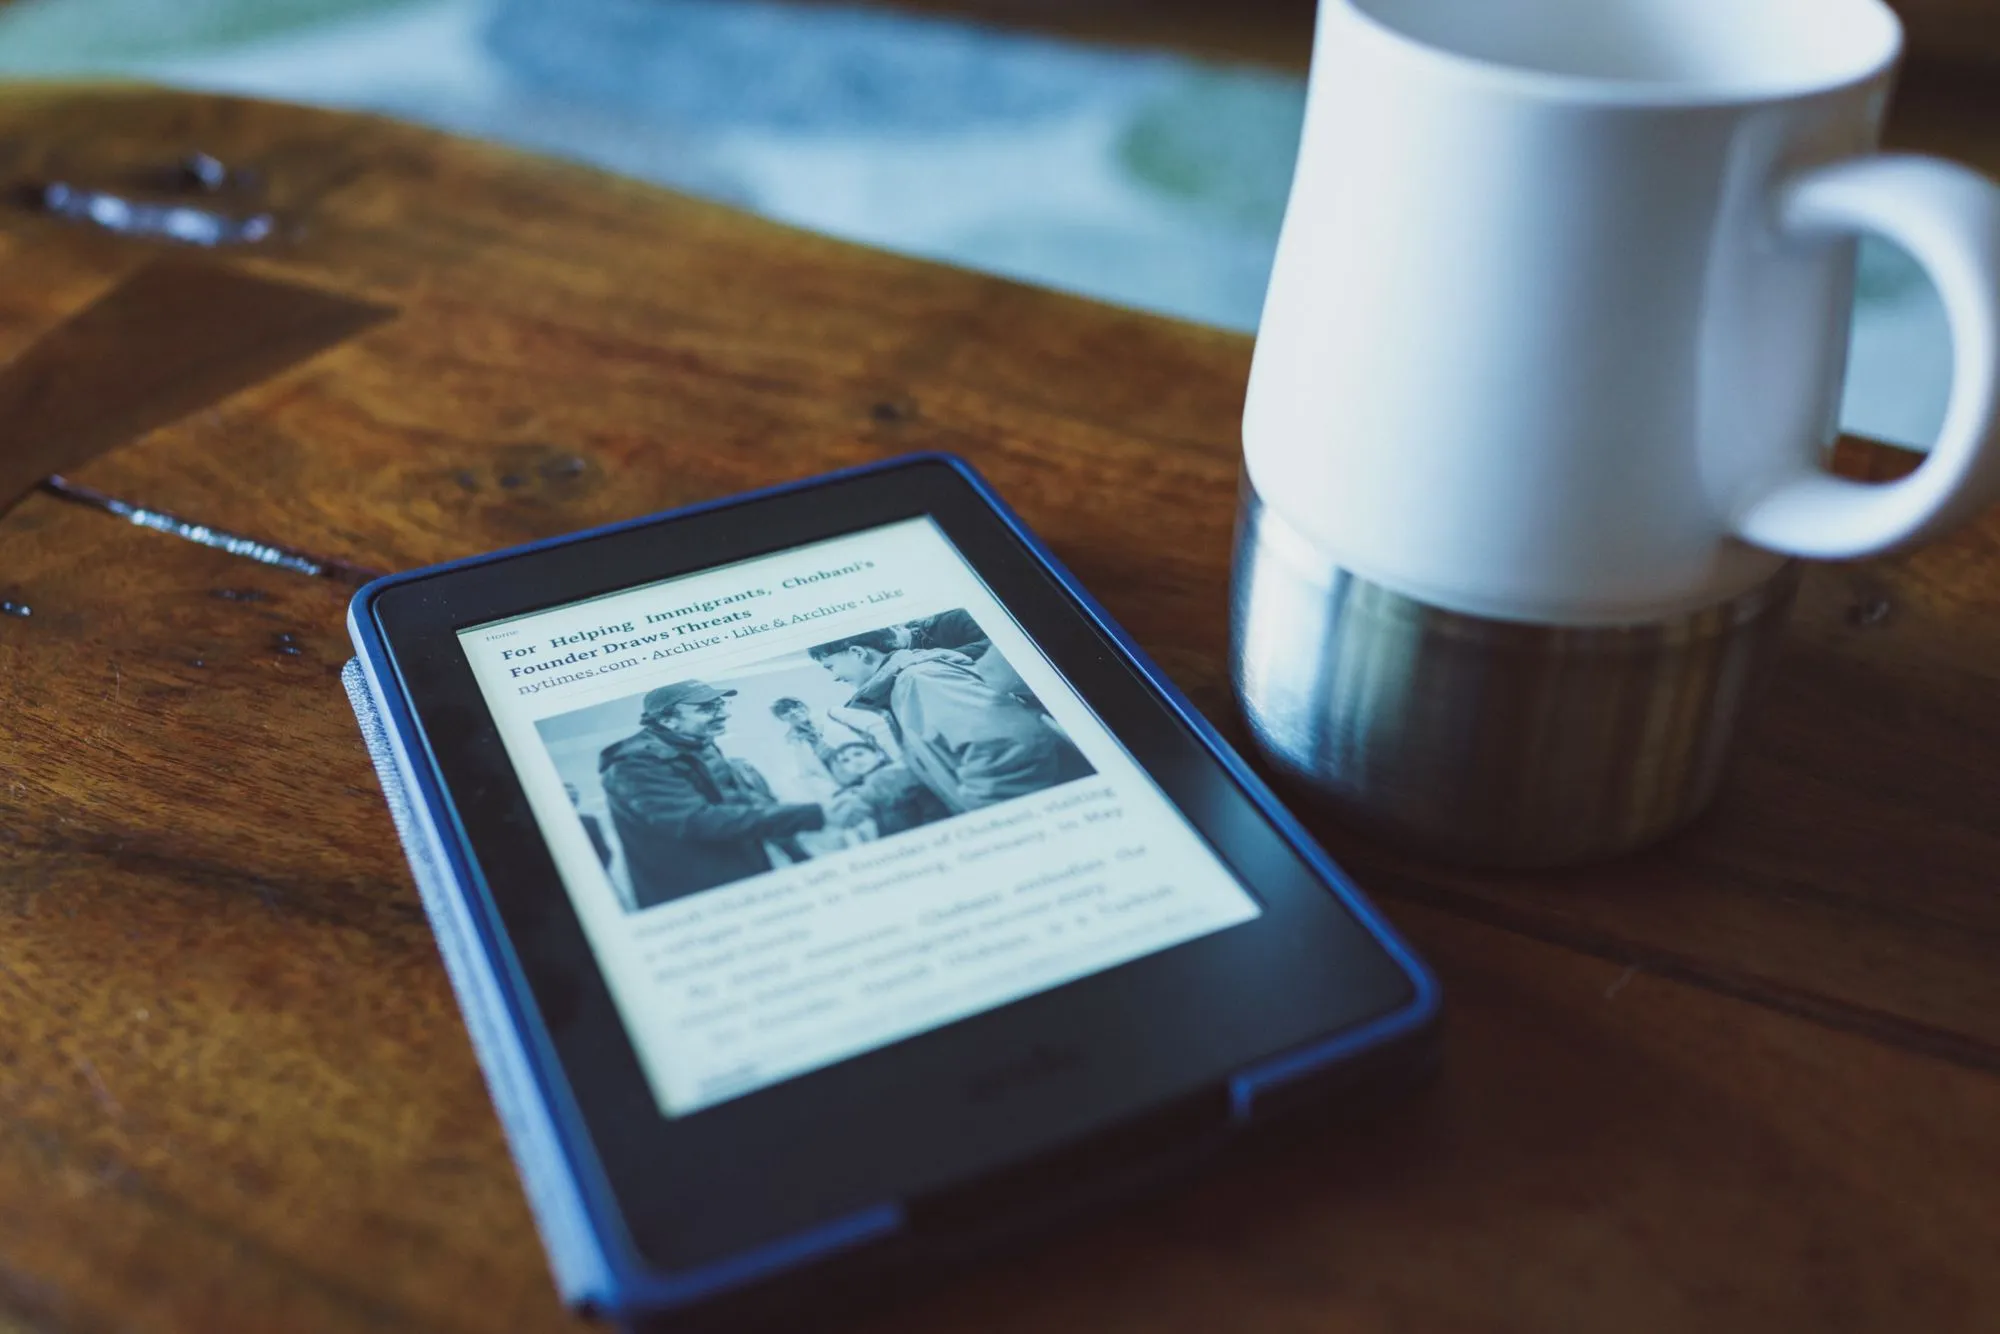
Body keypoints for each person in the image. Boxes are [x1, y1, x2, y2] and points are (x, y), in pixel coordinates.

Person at [599, 680, 867, 909]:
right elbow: (697, 821)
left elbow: (742, 805)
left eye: (721, 705)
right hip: (701, 900)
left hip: (744, 875)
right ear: (667, 719)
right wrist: (813, 815)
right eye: (707, 708)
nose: (723, 713)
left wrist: (799, 848)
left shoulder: (696, 743)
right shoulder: (634, 763)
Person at [808, 629, 1092, 813]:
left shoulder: (920, 680)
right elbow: (931, 759)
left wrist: (988, 816)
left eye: (830, 666)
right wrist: (867, 797)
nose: (833, 676)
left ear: (858, 652)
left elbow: (1006, 745)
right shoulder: (903, 686)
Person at [824, 740, 950, 837]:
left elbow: (932, 809)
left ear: (878, 754)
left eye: (859, 753)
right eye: (845, 761)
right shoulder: (864, 788)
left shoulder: (899, 773)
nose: (855, 761)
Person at [564, 781, 614, 868]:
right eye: (569, 796)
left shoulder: (589, 822)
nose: (572, 799)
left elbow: (604, 852)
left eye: (574, 796)